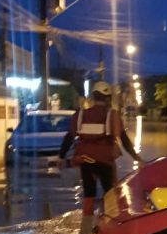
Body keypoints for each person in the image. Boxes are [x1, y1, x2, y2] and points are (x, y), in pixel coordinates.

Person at [58, 81, 143, 216]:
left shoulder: (81, 115)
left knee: (89, 194)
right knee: (109, 193)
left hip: (85, 161)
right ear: (108, 98)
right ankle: (111, 220)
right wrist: (136, 157)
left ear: (93, 96)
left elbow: (69, 137)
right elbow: (124, 139)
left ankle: (87, 223)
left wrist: (61, 156)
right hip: (105, 162)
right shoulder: (112, 115)